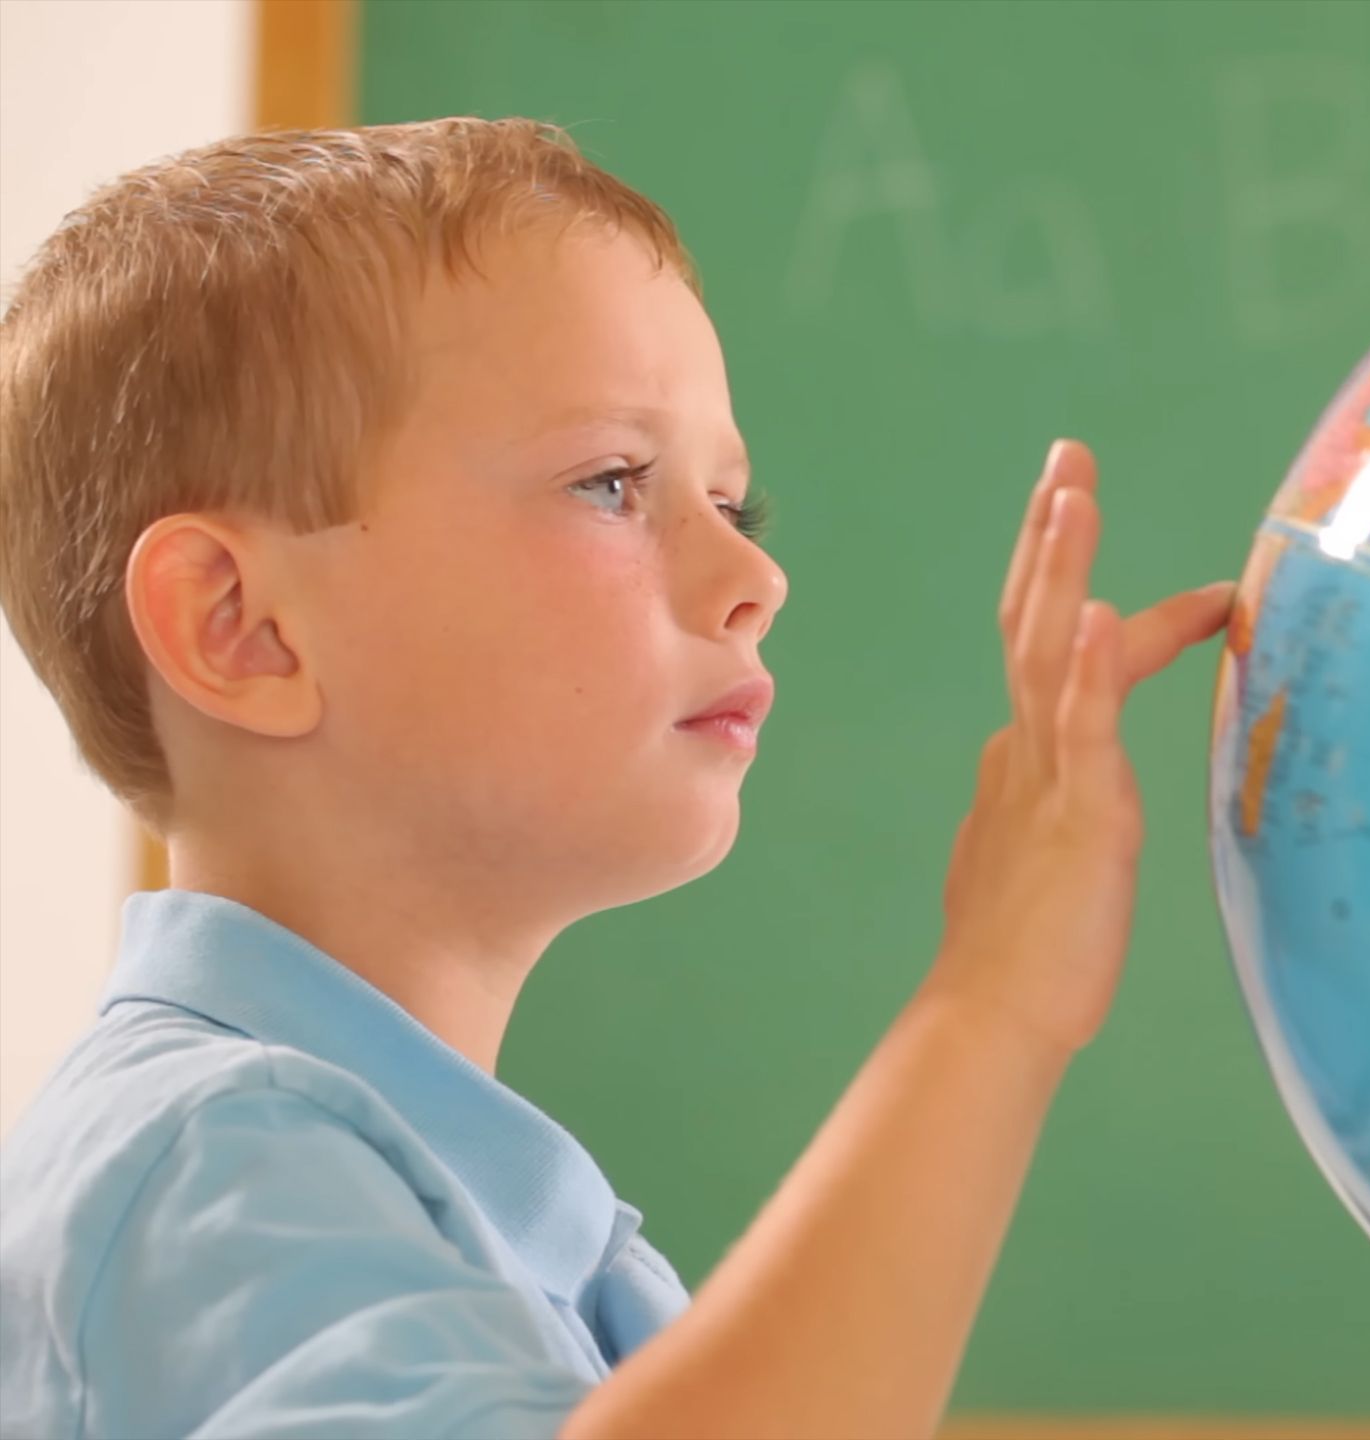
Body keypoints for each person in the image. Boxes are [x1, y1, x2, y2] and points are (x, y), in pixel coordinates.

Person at [0, 118, 1233, 1439]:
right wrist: (993, 1004)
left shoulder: (560, 1261)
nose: (757, 579)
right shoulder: (200, 1160)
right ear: (242, 625)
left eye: (731, 504)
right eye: (611, 483)